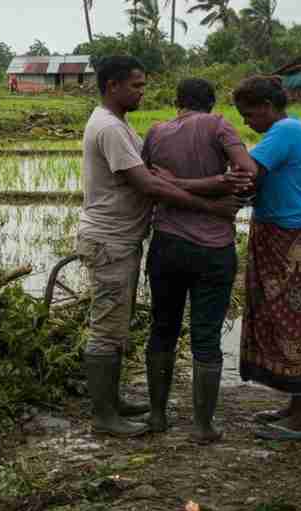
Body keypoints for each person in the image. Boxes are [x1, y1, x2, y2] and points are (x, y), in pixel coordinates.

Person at [77, 56, 247, 437]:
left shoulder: (135, 128)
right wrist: (212, 203)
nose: (143, 92)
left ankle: (127, 407)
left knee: (143, 327)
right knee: (107, 330)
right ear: (112, 86)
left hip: (143, 242)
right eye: (136, 85)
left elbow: (155, 175)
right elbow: (150, 184)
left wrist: (179, 183)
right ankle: (105, 415)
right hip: (112, 240)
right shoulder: (111, 128)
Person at [141, 78, 253, 442]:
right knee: (205, 336)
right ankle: (203, 426)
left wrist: (177, 184)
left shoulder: (155, 133)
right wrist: (215, 184)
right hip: (213, 249)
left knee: (162, 329)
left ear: (177, 102)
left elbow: (148, 183)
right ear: (211, 103)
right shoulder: (219, 125)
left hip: (167, 245)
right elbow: (246, 172)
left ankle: (157, 416)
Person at [231, 75, 301, 441]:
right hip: (290, 234)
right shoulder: (291, 129)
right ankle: (296, 406)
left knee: (299, 323)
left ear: (268, 107)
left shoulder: (286, 131)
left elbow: (247, 172)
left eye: (249, 114)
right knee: (291, 320)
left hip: (296, 241)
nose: (247, 123)